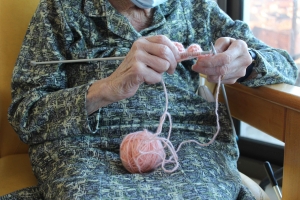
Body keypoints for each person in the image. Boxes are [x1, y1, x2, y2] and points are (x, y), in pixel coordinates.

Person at [1, 0, 297, 199]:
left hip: (187, 151)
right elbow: (26, 115)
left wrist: (247, 60)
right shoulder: (62, 10)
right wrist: (107, 88)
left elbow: (287, 66)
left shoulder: (194, 8)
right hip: (86, 152)